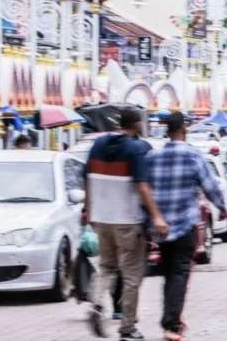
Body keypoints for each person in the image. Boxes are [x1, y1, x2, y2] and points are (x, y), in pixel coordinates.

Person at [84, 107, 167, 340]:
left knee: (107, 267)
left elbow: (86, 179)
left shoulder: (98, 145)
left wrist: (89, 211)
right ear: (138, 125)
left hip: (102, 219)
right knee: (131, 275)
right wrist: (157, 216)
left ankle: (95, 304)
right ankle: (127, 328)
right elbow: (142, 185)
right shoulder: (136, 149)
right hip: (128, 221)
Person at [144, 112, 227, 341]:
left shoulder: (153, 157)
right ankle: (171, 325)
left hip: (161, 227)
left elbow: (144, 189)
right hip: (184, 225)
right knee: (179, 273)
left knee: (169, 272)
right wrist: (222, 206)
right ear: (184, 129)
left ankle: (171, 319)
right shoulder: (192, 155)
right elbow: (209, 185)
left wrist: (149, 221)